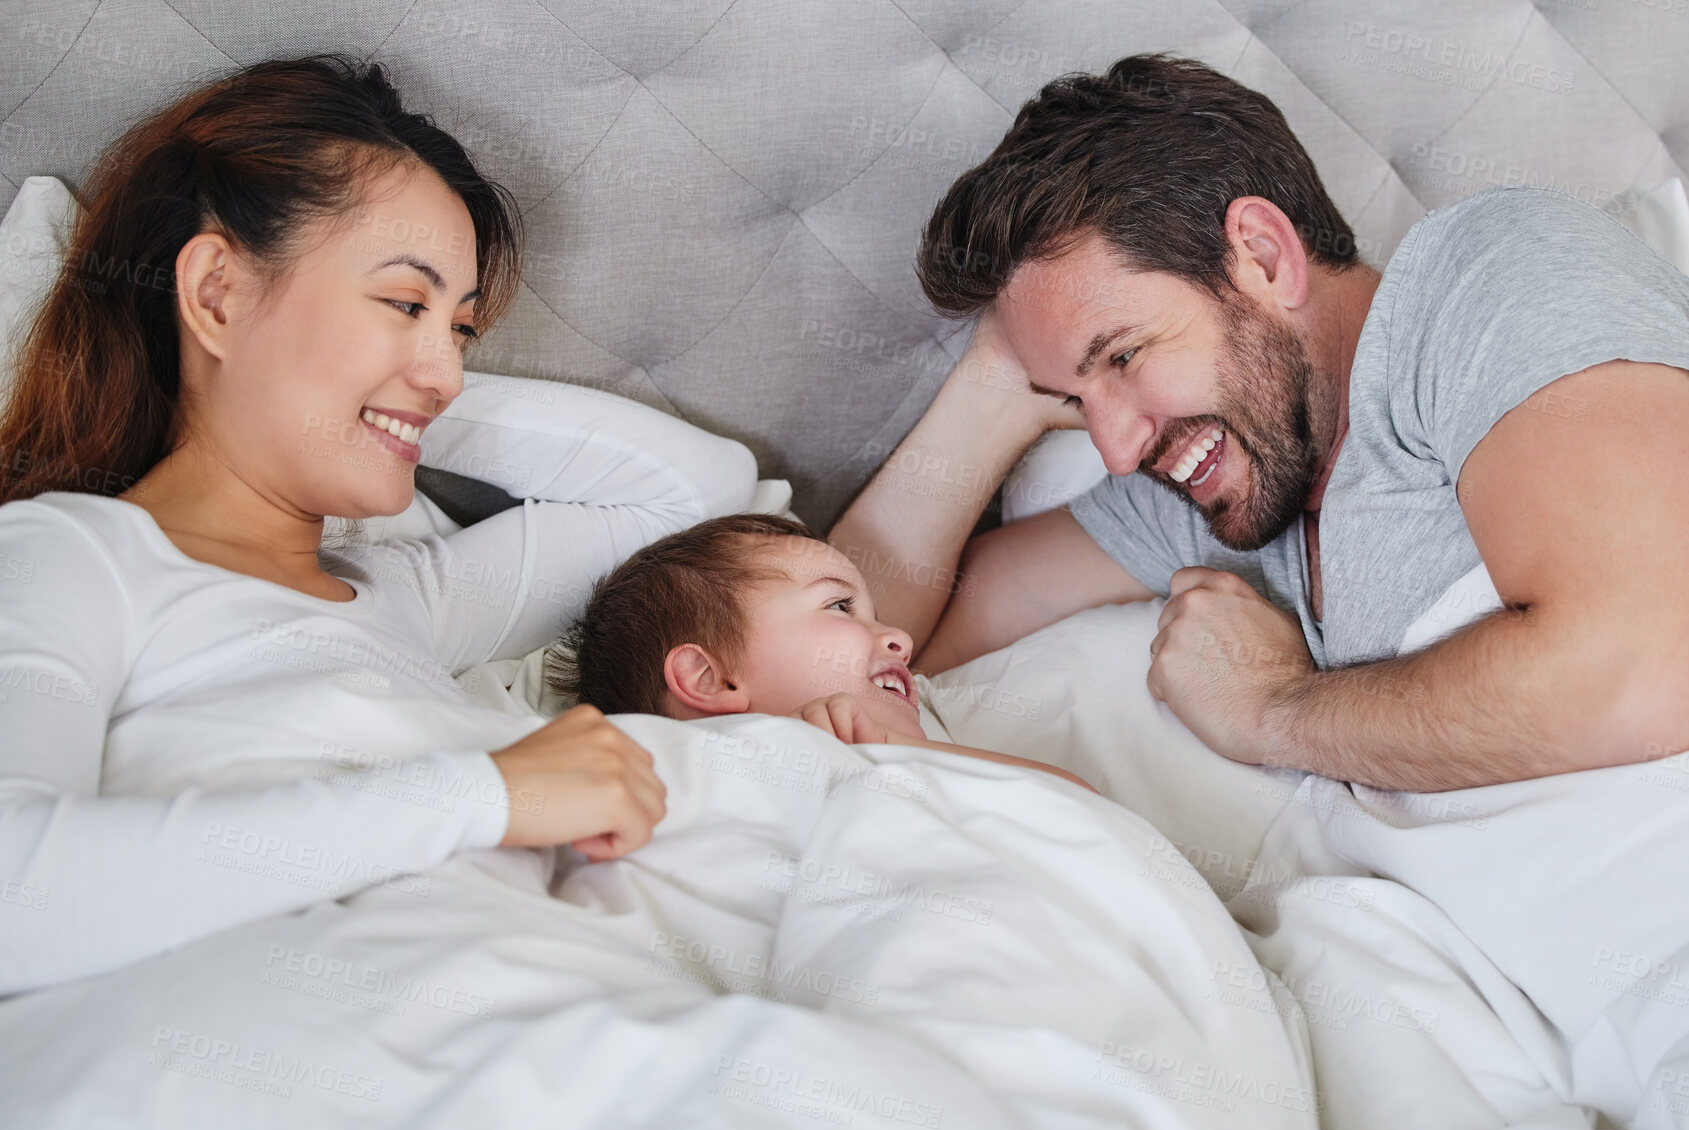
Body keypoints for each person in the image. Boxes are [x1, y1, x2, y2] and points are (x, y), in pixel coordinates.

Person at [0, 55, 759, 995]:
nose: (447, 371)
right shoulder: (65, 557)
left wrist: (383, 392)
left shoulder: (404, 599)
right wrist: (485, 793)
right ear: (217, 295)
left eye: (463, 329)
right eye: (404, 302)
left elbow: (693, 490)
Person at [828, 53, 1689, 794]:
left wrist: (1270, 709)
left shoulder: (1489, 272)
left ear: (1265, 257)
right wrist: (990, 388)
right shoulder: (1217, 486)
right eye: (1070, 400)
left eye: (1123, 356)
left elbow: (1648, 668)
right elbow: (853, 643)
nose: (1118, 450)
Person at [546, 513, 1096, 793]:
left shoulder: (915, 749)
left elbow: (1076, 804)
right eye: (839, 607)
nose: (900, 639)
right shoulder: (681, 781)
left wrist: (899, 749)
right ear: (709, 678)